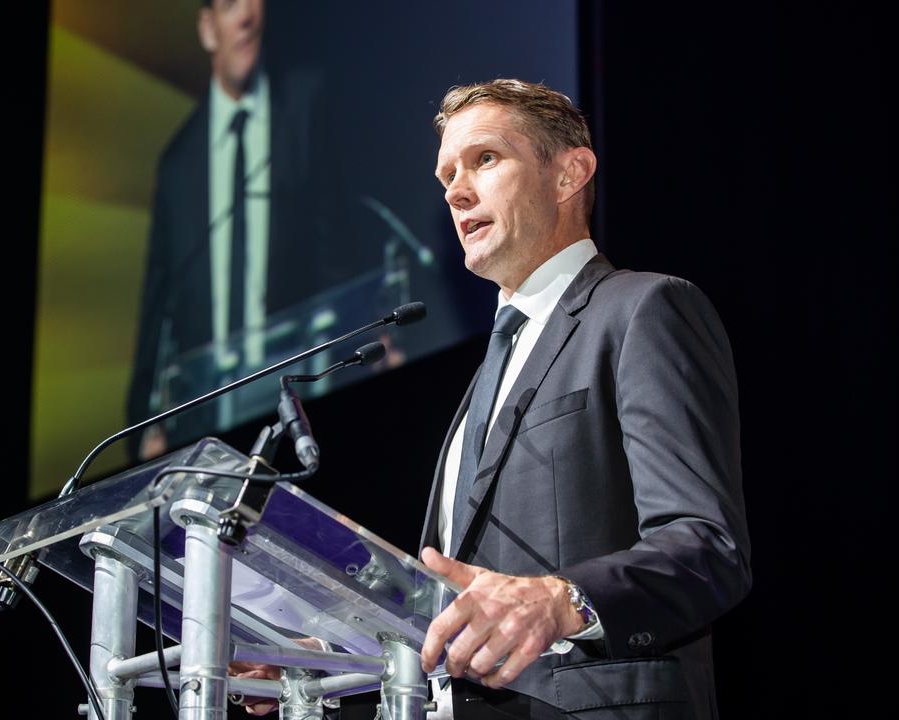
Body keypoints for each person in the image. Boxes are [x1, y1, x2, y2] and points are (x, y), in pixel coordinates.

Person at [414, 79, 751, 720]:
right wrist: (321, 655)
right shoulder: (487, 376)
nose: (456, 191)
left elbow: (708, 548)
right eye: (447, 175)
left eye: (484, 159)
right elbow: (455, 609)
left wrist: (561, 601)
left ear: (569, 172)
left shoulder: (642, 310)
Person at [127, 0, 356, 460]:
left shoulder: (304, 106)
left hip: (300, 413)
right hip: (204, 434)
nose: (249, 15)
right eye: (232, 4)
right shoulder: (178, 164)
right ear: (208, 27)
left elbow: (339, 257)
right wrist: (140, 431)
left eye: (256, 1)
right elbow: (158, 311)